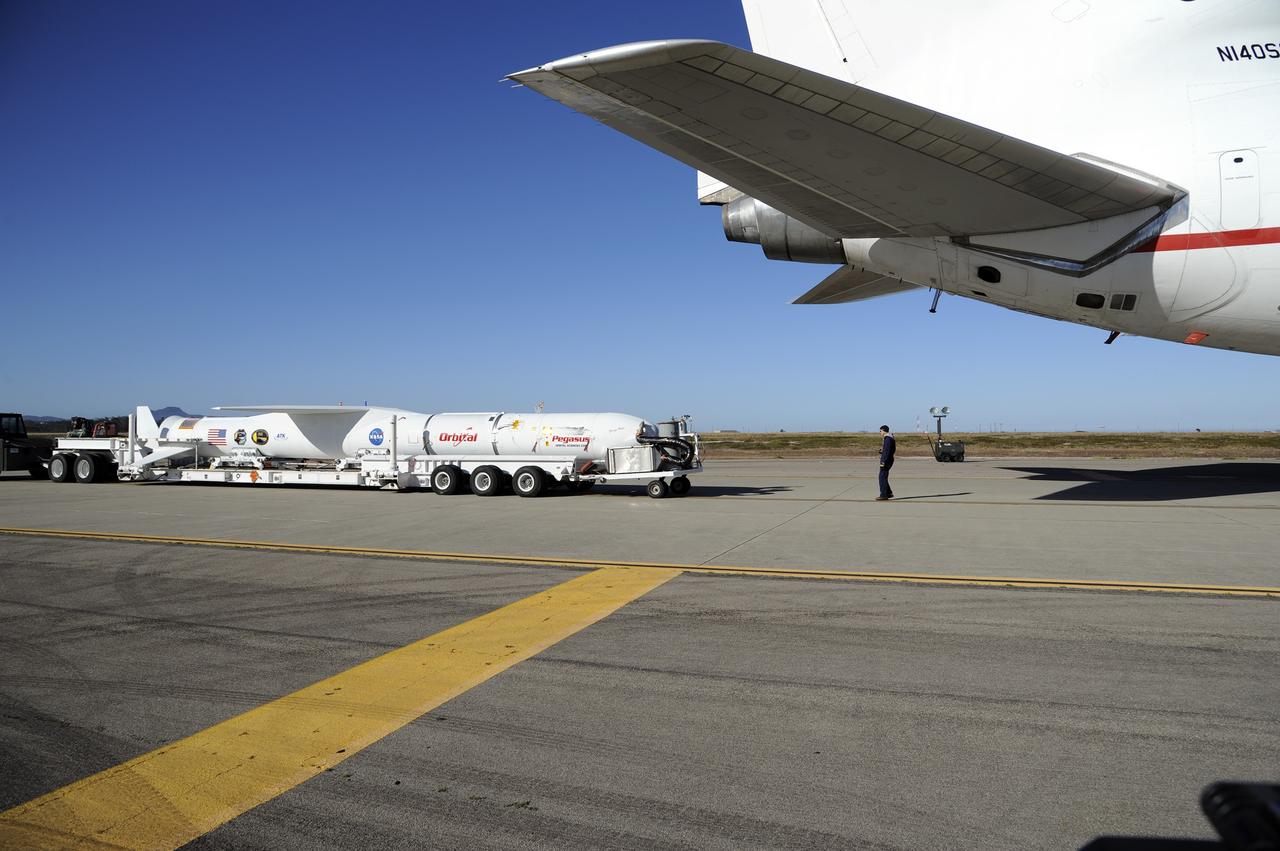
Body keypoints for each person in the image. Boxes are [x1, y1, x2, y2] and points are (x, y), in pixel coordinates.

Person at [876, 425, 896, 500]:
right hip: (888, 459)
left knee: (882, 477)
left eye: (880, 431)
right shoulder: (889, 438)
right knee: (883, 477)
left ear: (884, 431)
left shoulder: (888, 439)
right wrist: (882, 451)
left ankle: (883, 495)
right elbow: (888, 450)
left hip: (886, 460)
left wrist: (883, 461)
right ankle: (888, 493)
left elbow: (887, 452)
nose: (880, 432)